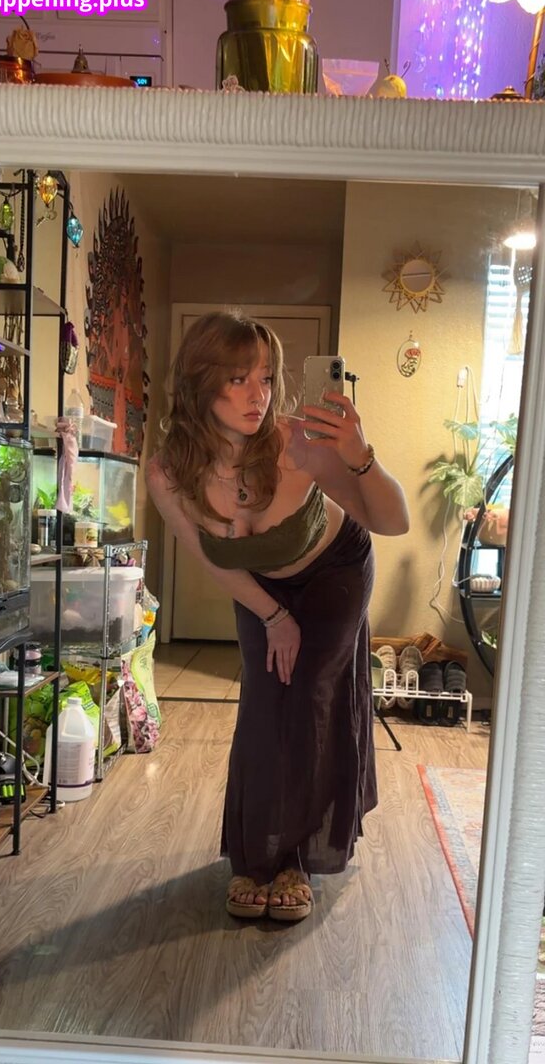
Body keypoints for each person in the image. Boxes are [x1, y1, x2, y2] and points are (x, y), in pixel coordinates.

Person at [147, 310, 409, 923]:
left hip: (336, 571)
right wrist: (272, 616)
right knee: (265, 702)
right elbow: (211, 560)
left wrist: (359, 455)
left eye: (265, 378)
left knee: (311, 695)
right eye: (238, 378)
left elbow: (393, 522)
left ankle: (296, 858)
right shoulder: (168, 471)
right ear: (200, 380)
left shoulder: (297, 444)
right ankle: (253, 857)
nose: (257, 395)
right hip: (260, 587)